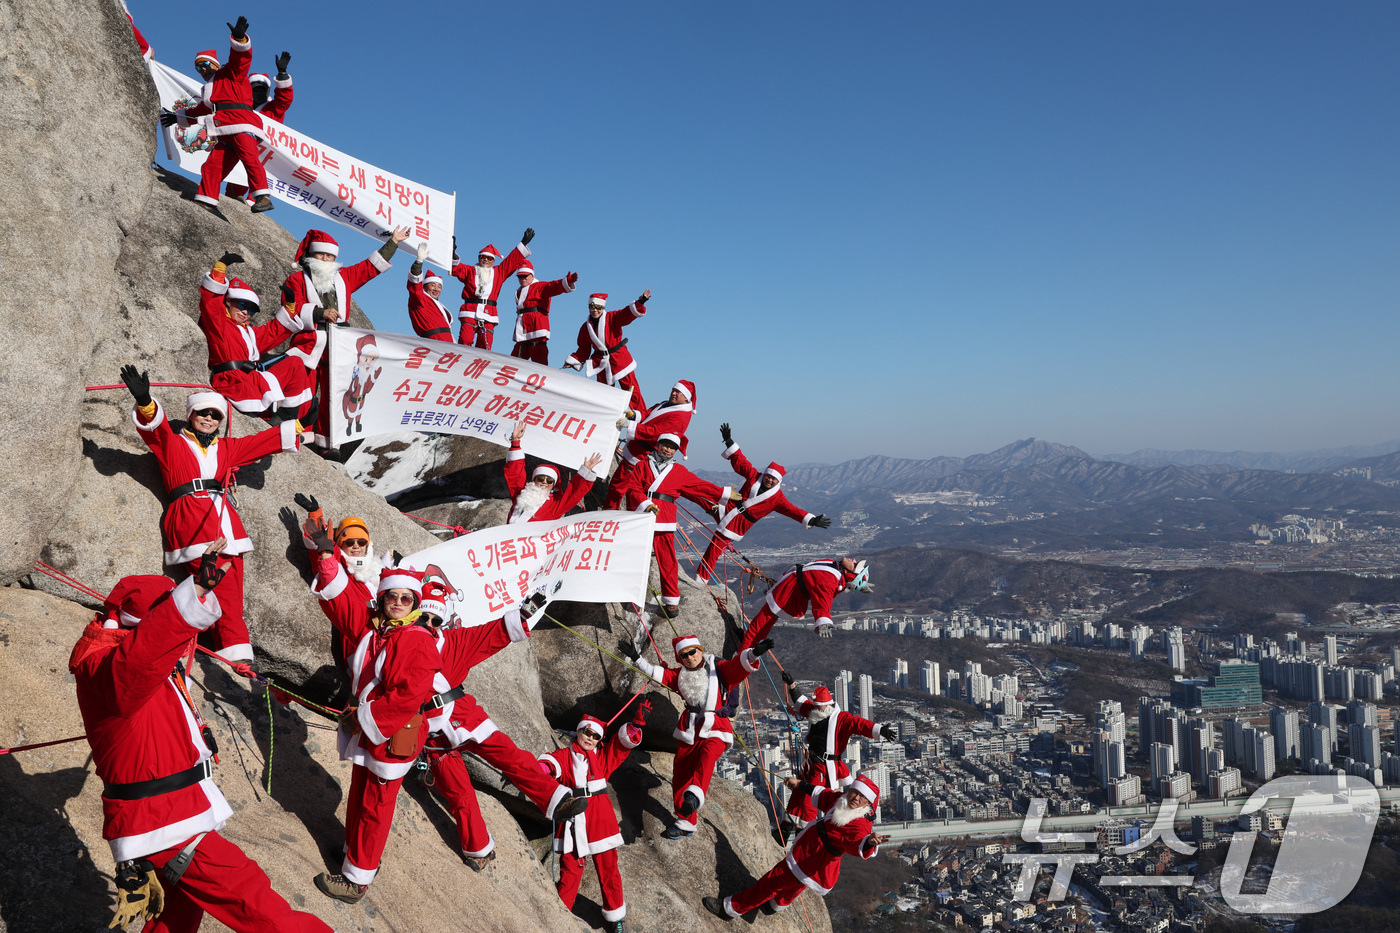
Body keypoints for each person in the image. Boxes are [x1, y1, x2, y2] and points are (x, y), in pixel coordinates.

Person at [71, 555, 332, 932]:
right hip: (162, 819)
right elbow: (142, 657)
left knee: (178, 915)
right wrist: (189, 596)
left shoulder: (134, 657)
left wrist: (199, 587)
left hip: (175, 809)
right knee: (254, 900)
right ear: (148, 625)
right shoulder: (112, 668)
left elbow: (161, 648)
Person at [379, 581, 592, 871]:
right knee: (459, 793)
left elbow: (494, 633)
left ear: (444, 621)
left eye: (436, 619)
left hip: (465, 717)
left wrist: (527, 610)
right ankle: (478, 848)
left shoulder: (454, 642)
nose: (430, 624)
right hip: (431, 737)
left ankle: (555, 800)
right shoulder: (396, 642)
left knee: (510, 757)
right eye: (424, 617)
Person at [122, 366, 303, 663]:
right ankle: (234, 653)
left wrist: (295, 425)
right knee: (220, 585)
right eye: (203, 412)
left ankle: (226, 648)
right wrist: (145, 402)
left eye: (215, 415)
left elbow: (258, 444)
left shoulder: (227, 448)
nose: (209, 418)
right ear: (191, 415)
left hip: (225, 523)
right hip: (192, 517)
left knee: (230, 588)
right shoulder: (174, 443)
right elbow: (157, 430)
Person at [308, 559, 440, 903]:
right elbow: (341, 605)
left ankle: (357, 880)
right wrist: (324, 556)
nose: (397, 603)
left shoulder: (416, 640)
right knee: (360, 795)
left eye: (406, 598)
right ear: (382, 599)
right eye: (391, 597)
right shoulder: (379, 630)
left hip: (391, 736)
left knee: (375, 806)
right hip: (372, 731)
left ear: (415, 603)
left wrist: (360, 720)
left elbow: (408, 696)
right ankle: (355, 855)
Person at [623, 634, 773, 838]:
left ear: (700, 650)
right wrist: (636, 657)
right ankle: (685, 821)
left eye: (692, 652)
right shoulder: (680, 675)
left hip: (716, 727)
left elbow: (737, 668)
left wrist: (754, 653)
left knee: (707, 758)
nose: (689, 657)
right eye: (684, 655)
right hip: (690, 728)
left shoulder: (717, 669)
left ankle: (693, 797)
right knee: (681, 772)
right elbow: (658, 675)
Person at [703, 774, 889, 921]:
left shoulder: (859, 824)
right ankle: (774, 905)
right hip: (812, 854)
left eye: (862, 796)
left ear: (869, 803)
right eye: (855, 792)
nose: (856, 797)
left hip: (812, 858)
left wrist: (869, 842)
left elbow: (858, 840)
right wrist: (799, 784)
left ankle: (731, 908)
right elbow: (822, 795)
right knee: (797, 884)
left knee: (772, 881)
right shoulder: (843, 800)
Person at [537, 707, 648, 933]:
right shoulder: (564, 756)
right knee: (570, 870)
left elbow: (620, 745)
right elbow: (550, 764)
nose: (590, 738)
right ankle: (559, 916)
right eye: (587, 732)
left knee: (609, 868)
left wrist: (635, 725)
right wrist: (539, 769)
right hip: (572, 820)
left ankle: (615, 916)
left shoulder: (603, 757)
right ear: (578, 731)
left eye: (596, 736)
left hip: (600, 819)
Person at [159, 17, 274, 214]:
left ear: (214, 63)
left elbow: (241, 60)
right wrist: (177, 117)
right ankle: (207, 199)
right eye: (198, 67)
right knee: (212, 165)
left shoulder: (231, 73)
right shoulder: (209, 89)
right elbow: (201, 110)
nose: (202, 69)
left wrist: (240, 40)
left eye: (205, 64)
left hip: (241, 123)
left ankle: (262, 196)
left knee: (249, 157)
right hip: (223, 128)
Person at [695, 422, 831, 585]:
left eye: (773, 479)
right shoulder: (754, 476)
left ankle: (700, 581)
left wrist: (811, 519)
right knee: (700, 494)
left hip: (737, 524)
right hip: (727, 508)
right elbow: (741, 461)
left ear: (778, 481)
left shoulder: (777, 498)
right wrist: (729, 441)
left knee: (714, 549)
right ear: (765, 474)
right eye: (768, 476)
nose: (769, 480)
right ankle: (673, 489)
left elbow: (792, 510)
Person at [618, 432, 738, 618]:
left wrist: (723, 493)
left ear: (676, 451)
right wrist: (645, 503)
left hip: (664, 517)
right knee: (632, 553)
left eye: (672, 447)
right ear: (658, 445)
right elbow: (633, 487)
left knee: (667, 560)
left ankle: (671, 599)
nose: (667, 449)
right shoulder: (642, 465)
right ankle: (625, 589)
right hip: (641, 514)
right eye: (665, 445)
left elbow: (700, 486)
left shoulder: (679, 472)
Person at [198, 251, 319, 424]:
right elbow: (211, 303)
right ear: (228, 302)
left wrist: (290, 306)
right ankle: (278, 420)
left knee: (295, 363)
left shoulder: (250, 333)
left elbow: (273, 332)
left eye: (251, 310)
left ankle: (288, 416)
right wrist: (220, 269)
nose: (246, 312)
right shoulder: (219, 324)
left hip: (250, 380)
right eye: (241, 305)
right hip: (231, 382)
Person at [777, 678, 894, 840]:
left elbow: (858, 724)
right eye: (816, 705)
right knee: (798, 793)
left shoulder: (841, 719)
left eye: (820, 706)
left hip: (824, 766)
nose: (817, 708)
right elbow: (800, 702)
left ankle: (802, 834)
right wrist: (792, 685)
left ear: (828, 705)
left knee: (808, 798)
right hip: (811, 763)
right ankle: (784, 828)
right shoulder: (815, 711)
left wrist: (880, 730)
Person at [281, 227, 406, 374]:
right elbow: (291, 309)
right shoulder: (296, 279)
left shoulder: (345, 276)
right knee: (301, 392)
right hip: (309, 343)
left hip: (339, 344)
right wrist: (320, 313)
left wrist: (394, 241)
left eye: (329, 255)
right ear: (311, 254)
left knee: (335, 394)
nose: (325, 259)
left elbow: (369, 267)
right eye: (320, 254)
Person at [738, 557, 871, 652]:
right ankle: (749, 647)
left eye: (855, 564)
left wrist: (823, 620)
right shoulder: (833, 567)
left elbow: (823, 600)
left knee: (760, 624)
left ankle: (743, 654)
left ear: (851, 575)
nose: (854, 560)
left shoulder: (830, 580)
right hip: (790, 587)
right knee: (763, 623)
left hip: (789, 595)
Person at [602, 380, 697, 510]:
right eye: (673, 390)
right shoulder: (666, 404)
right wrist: (635, 415)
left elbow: (656, 433)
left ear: (686, 397)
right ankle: (610, 512)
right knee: (619, 486)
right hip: (635, 450)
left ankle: (610, 514)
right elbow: (649, 413)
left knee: (623, 488)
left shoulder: (680, 417)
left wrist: (631, 425)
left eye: (678, 392)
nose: (673, 393)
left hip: (641, 455)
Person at [562, 290, 650, 411]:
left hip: (620, 359)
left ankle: (642, 418)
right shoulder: (585, 327)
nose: (595, 310)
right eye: (592, 307)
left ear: (603, 307)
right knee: (604, 395)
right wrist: (573, 361)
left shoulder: (612, 317)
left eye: (598, 307)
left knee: (632, 392)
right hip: (601, 362)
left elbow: (626, 314)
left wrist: (640, 302)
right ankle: (605, 418)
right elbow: (583, 349)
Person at [224, 51, 293, 202]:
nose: (258, 92)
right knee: (235, 181)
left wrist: (282, 74)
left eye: (262, 89)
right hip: (238, 150)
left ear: (268, 91)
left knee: (258, 176)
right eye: (255, 88)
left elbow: (284, 99)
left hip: (263, 154)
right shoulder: (240, 107)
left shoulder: (272, 109)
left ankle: (254, 202)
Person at [503, 421, 603, 523]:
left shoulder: (554, 505)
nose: (545, 482)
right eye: (541, 478)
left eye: (550, 480)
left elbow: (573, 493)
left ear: (553, 485)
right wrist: (515, 441)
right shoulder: (523, 494)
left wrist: (585, 471)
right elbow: (515, 474)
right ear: (534, 479)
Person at [450, 230, 534, 348]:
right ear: (479, 258)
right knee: (465, 340)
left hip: (489, 313)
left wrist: (523, 243)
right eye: (483, 257)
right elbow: (455, 268)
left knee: (485, 345)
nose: (486, 260)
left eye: (489, 258)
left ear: (493, 261)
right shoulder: (470, 270)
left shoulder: (499, 272)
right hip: (470, 311)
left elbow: (511, 261)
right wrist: (452, 252)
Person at [511, 262, 578, 365]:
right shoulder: (519, 291)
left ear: (532, 275)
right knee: (513, 361)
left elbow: (552, 286)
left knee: (539, 362)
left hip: (537, 328)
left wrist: (566, 282)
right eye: (520, 276)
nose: (523, 278)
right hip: (522, 330)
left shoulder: (540, 286)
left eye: (525, 276)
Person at [405, 242, 454, 343]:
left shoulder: (438, 305)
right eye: (432, 285)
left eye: (439, 286)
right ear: (424, 287)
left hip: (448, 343)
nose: (436, 288)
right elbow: (414, 285)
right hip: (434, 342)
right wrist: (418, 262)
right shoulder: (420, 299)